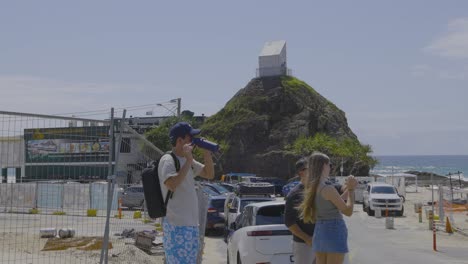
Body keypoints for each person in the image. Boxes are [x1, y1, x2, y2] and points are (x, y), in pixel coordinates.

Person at [158, 122, 215, 264]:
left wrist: (206, 152)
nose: (193, 142)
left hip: (190, 225)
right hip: (176, 225)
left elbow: (209, 174)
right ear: (180, 140)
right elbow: (172, 184)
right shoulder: (168, 160)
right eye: (190, 138)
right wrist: (189, 161)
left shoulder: (187, 160)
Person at [299, 152, 358, 264]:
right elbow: (348, 211)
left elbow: (332, 202)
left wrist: (349, 189)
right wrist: (351, 190)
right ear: (323, 166)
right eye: (329, 164)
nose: (330, 167)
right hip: (334, 230)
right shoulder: (327, 188)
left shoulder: (312, 187)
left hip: (320, 230)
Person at [284, 158, 316, 264]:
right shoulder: (294, 194)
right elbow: (289, 222)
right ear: (301, 172)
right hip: (304, 245)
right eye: (310, 168)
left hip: (322, 243)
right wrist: (307, 239)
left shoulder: (319, 190)